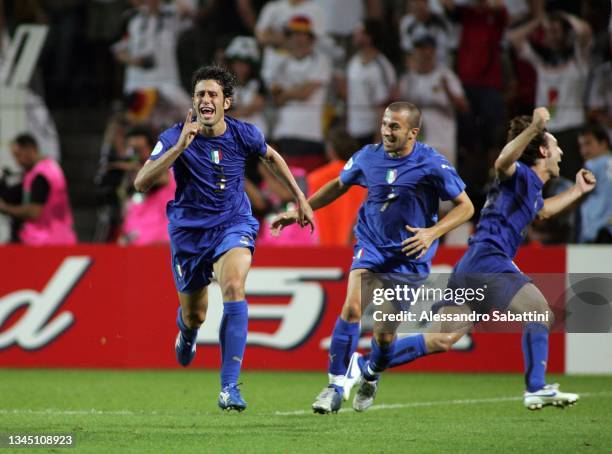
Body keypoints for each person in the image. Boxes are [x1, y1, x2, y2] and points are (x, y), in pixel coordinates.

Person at [346, 108, 596, 411]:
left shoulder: (529, 189)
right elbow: (503, 162)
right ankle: (536, 387)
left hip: (472, 265)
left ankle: (364, 367)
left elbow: (542, 210)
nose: (560, 153)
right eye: (556, 146)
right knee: (539, 314)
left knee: (442, 339)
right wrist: (533, 128)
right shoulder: (520, 174)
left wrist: (578, 191)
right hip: (491, 259)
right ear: (543, 150)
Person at [271, 102, 474, 413]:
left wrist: (432, 233)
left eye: (394, 127)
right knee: (352, 308)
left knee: (384, 336)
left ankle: (372, 373)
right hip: (371, 245)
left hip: (409, 255)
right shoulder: (368, 156)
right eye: (384, 124)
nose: (386, 131)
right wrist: (301, 210)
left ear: (412, 133)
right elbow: (339, 185)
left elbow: (466, 207)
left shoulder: (432, 163)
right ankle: (335, 385)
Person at [134, 65, 314, 412]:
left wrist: (301, 198)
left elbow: (272, 156)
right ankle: (186, 333)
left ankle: (229, 386)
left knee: (233, 285)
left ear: (226, 103)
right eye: (200, 93)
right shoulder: (175, 136)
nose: (205, 99)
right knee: (196, 315)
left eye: (212, 94)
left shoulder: (243, 133)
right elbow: (141, 182)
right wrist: (178, 150)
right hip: (190, 233)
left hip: (233, 222)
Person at [0, 133, 76, 245]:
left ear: (30, 149)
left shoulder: (40, 176)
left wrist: (6, 208)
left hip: (44, 241)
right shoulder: (50, 167)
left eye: (18, 155)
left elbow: (35, 212)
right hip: (62, 236)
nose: (17, 162)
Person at [119, 125, 176, 246]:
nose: (135, 155)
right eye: (131, 150)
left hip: (161, 243)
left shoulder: (166, 169)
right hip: (134, 242)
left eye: (138, 149)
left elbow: (160, 178)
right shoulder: (130, 175)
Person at [577, 124, 612, 243]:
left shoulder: (592, 165)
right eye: (581, 146)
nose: (584, 151)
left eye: (588, 144)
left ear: (604, 143)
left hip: (596, 234)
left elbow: (576, 195)